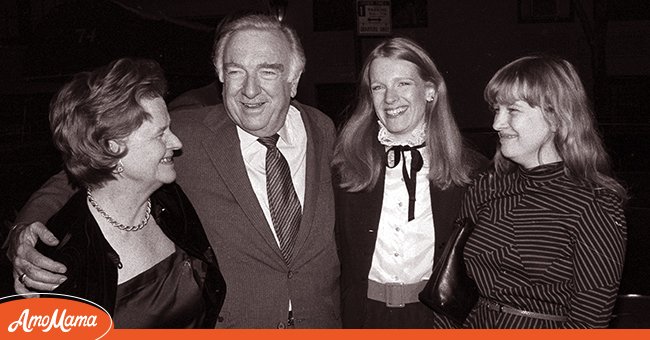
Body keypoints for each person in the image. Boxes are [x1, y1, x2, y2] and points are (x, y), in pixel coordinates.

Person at [5, 14, 340, 328]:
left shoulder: (324, 130)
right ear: (221, 76)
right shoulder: (183, 133)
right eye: (236, 71)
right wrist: (26, 230)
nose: (249, 90)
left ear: (293, 79)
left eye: (267, 71)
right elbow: (84, 170)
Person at [8, 58, 226, 328]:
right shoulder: (60, 261)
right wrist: (20, 231)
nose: (177, 142)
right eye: (160, 134)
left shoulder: (171, 202)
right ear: (112, 149)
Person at [458, 55, 627, 328]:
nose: (496, 124)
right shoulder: (485, 187)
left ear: (557, 117)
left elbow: (589, 324)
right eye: (496, 110)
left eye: (512, 110)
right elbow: (451, 283)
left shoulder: (595, 204)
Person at [332, 36, 486, 328]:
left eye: (403, 83)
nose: (390, 98)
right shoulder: (345, 168)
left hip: (437, 319)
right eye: (378, 87)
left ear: (429, 91)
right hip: (363, 318)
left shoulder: (470, 171)